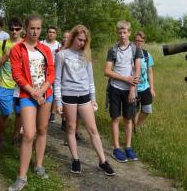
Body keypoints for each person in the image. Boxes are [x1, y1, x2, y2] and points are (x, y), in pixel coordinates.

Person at [54, 25, 115, 176]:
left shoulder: (86, 54)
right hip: (68, 95)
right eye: (80, 39)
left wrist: (93, 98)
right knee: (71, 128)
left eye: (84, 40)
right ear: (73, 37)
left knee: (93, 129)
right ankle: (75, 160)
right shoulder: (62, 55)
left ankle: (102, 161)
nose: (82, 43)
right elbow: (57, 79)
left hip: (84, 95)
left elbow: (90, 78)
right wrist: (58, 101)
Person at [8, 15, 55, 191]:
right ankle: (21, 177)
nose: (35, 32)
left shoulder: (45, 49)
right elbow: (17, 74)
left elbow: (51, 72)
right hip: (27, 95)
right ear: (26, 29)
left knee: (42, 130)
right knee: (28, 134)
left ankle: (39, 165)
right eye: (32, 28)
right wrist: (34, 92)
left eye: (38, 28)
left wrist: (42, 90)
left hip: (46, 94)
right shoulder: (17, 49)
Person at [104, 20, 141, 163]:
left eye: (125, 32)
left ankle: (128, 147)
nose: (122, 35)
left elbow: (137, 70)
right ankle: (116, 148)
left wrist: (132, 89)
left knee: (128, 119)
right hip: (115, 88)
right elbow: (107, 71)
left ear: (129, 33)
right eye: (120, 32)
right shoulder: (112, 50)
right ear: (117, 33)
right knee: (115, 118)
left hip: (129, 90)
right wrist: (125, 79)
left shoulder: (135, 49)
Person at [0, 17, 23, 149]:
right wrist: (6, 55)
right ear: (9, 30)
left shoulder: (25, 44)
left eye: (17, 29)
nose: (14, 32)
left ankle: (16, 136)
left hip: (21, 87)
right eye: (12, 29)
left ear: (21, 29)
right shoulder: (3, 43)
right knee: (5, 113)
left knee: (19, 114)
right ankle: (0, 137)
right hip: (5, 85)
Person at [133, 31, 155, 131]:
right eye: (137, 40)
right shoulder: (130, 54)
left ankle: (137, 125)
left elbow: (150, 72)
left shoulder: (147, 55)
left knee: (147, 110)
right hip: (133, 88)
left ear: (144, 42)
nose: (139, 43)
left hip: (145, 87)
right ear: (134, 41)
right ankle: (134, 128)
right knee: (134, 110)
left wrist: (152, 88)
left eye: (141, 41)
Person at [41, 26, 61, 124]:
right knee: (42, 90)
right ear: (47, 33)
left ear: (56, 34)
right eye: (49, 32)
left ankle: (52, 112)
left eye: (53, 32)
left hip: (55, 70)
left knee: (53, 91)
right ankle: (41, 109)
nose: (51, 34)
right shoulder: (41, 43)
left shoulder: (59, 45)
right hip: (42, 71)